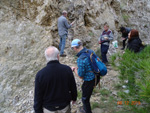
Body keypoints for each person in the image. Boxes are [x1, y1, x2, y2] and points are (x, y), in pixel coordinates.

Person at [34, 46, 77, 113]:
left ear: (46, 58)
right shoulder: (67, 69)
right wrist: (74, 98)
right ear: (58, 56)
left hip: (48, 109)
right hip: (64, 107)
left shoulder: (40, 74)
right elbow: (73, 87)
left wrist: (38, 110)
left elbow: (38, 96)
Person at [71, 39, 100, 113]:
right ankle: (85, 108)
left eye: (72, 48)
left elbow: (80, 75)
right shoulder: (90, 51)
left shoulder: (81, 58)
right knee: (86, 93)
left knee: (85, 99)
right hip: (96, 77)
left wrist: (74, 70)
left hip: (89, 80)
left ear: (74, 48)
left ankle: (87, 111)